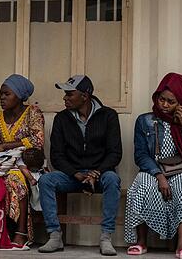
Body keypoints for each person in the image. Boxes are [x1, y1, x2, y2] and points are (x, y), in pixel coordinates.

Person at [38, 75, 122, 256]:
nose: (65, 98)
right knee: (46, 180)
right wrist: (75, 173)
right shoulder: (61, 118)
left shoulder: (108, 116)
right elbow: (57, 155)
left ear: (85, 96)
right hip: (72, 175)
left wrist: (97, 172)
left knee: (113, 179)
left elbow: (115, 153)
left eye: (69, 94)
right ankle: (55, 236)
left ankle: (106, 238)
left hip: (100, 174)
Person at [125, 73, 182, 257]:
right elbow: (140, 155)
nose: (165, 105)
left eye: (171, 101)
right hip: (153, 169)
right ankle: (141, 242)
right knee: (141, 186)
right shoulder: (144, 120)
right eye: (162, 99)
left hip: (179, 171)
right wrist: (159, 175)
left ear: (181, 102)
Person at [0, 74, 44, 246]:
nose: (2, 98)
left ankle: (21, 233)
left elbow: (38, 140)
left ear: (19, 96)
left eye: (7, 94)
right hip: (5, 163)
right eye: (1, 94)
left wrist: (6, 146)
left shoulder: (32, 112)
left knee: (15, 180)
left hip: (29, 164)